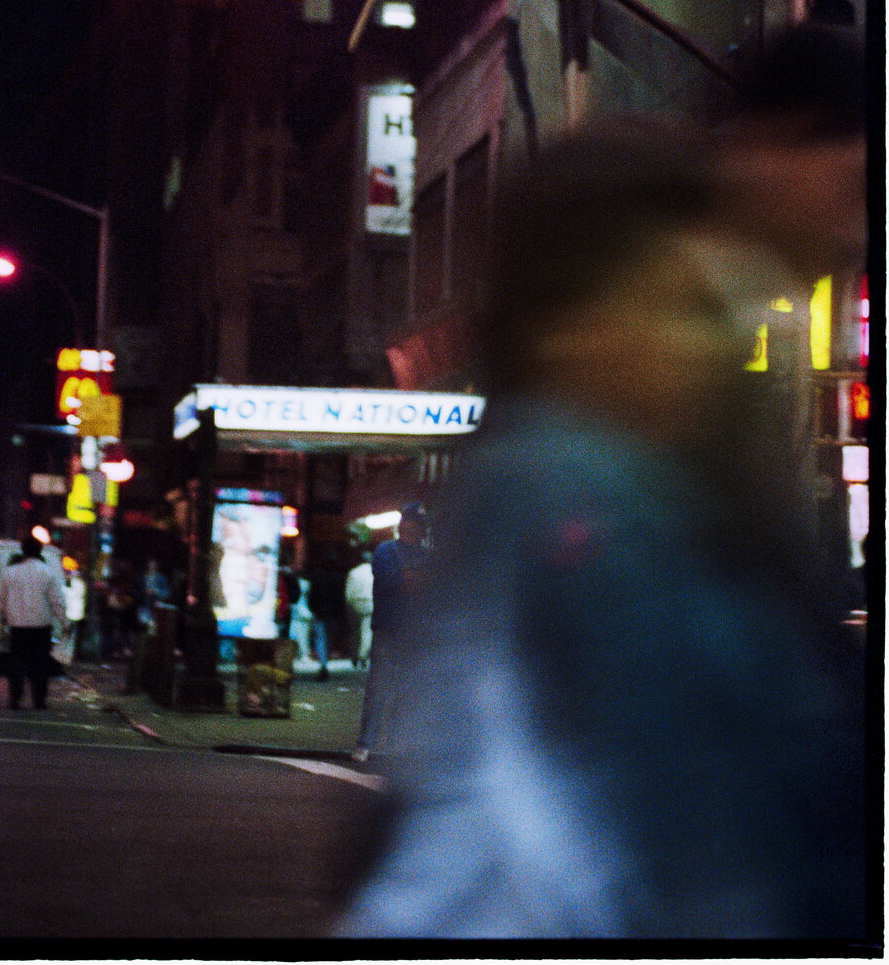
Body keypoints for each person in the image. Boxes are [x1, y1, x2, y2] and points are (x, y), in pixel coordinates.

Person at [336, 124, 867, 939]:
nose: (710, 344)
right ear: (570, 327)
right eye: (678, 308)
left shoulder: (552, 478)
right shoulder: (578, 490)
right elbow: (684, 813)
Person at [351, 503, 430, 763]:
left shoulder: (419, 555)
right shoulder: (387, 550)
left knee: (405, 691)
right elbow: (396, 583)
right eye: (411, 523)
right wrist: (417, 579)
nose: (414, 529)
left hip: (413, 633)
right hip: (389, 629)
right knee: (380, 689)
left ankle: (393, 746)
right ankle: (366, 744)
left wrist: (411, 579)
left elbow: (426, 588)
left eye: (418, 525)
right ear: (402, 526)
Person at [0, 535, 69, 711]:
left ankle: (15, 698)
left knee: (17, 664)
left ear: (23, 550)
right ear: (40, 551)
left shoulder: (10, 573)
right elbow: (56, 601)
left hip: (17, 626)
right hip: (41, 627)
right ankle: (39, 700)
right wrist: (64, 622)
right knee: (40, 665)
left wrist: (1, 621)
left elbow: (0, 600)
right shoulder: (48, 573)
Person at [307, 556, 345, 680]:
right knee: (329, 638)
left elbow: (312, 594)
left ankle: (323, 664)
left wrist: (313, 607)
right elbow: (340, 597)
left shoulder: (317, 575)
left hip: (319, 611)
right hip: (332, 612)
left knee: (320, 638)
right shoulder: (338, 577)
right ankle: (325, 661)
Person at [344, 547, 374, 669]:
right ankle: (362, 656)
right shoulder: (375, 571)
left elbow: (348, 591)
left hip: (354, 603)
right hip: (370, 602)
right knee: (366, 630)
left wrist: (348, 604)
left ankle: (354, 655)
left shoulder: (353, 572)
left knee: (355, 630)